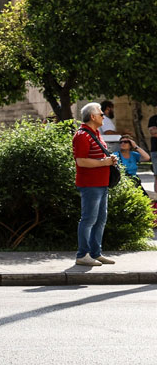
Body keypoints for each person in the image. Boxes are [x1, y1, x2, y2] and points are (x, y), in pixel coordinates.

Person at [73, 102, 118, 267]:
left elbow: (97, 156)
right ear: (92, 116)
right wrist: (104, 162)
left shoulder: (96, 133)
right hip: (90, 184)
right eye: (101, 114)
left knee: (100, 220)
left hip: (101, 183)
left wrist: (109, 160)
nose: (103, 117)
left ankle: (95, 253)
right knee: (88, 219)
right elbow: (81, 161)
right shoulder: (82, 135)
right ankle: (82, 255)